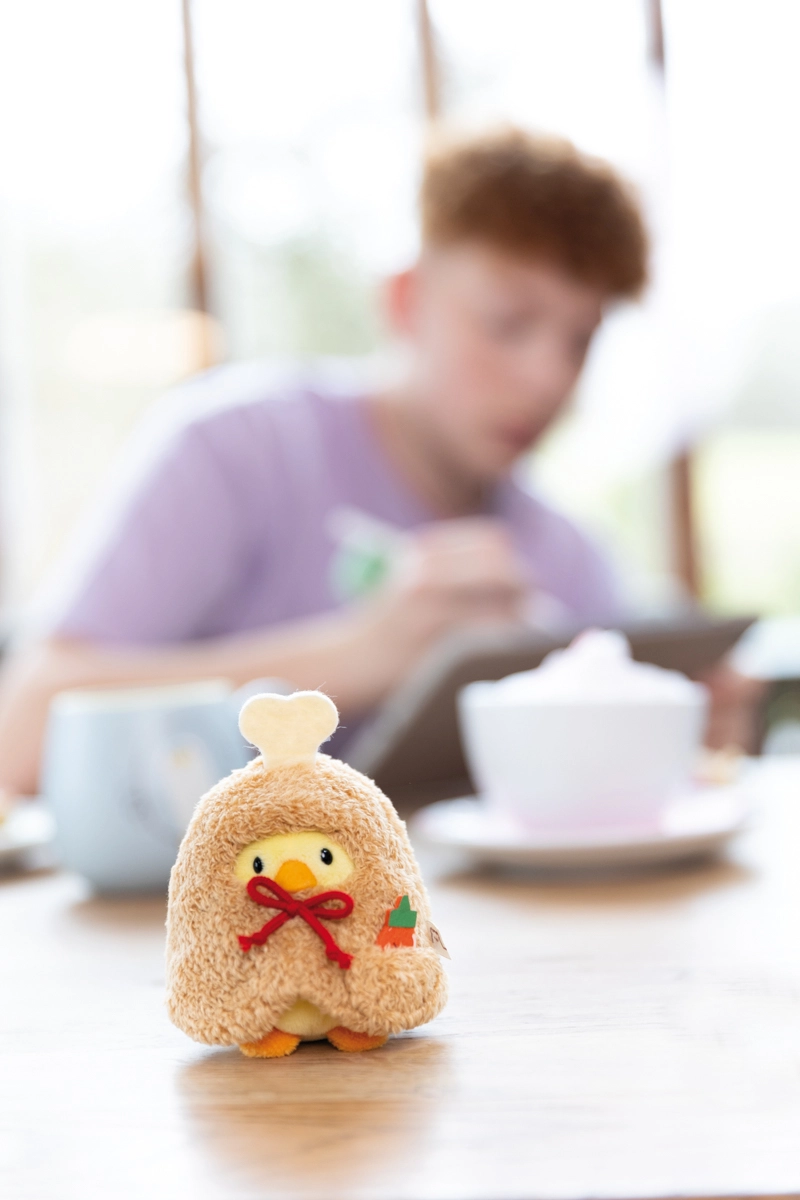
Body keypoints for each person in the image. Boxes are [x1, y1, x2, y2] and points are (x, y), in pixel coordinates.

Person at [0, 127, 666, 794]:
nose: (549, 380)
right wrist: (356, 657)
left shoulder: (567, 558)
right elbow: (20, 734)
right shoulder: (237, 451)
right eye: (508, 323)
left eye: (580, 342)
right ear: (406, 301)